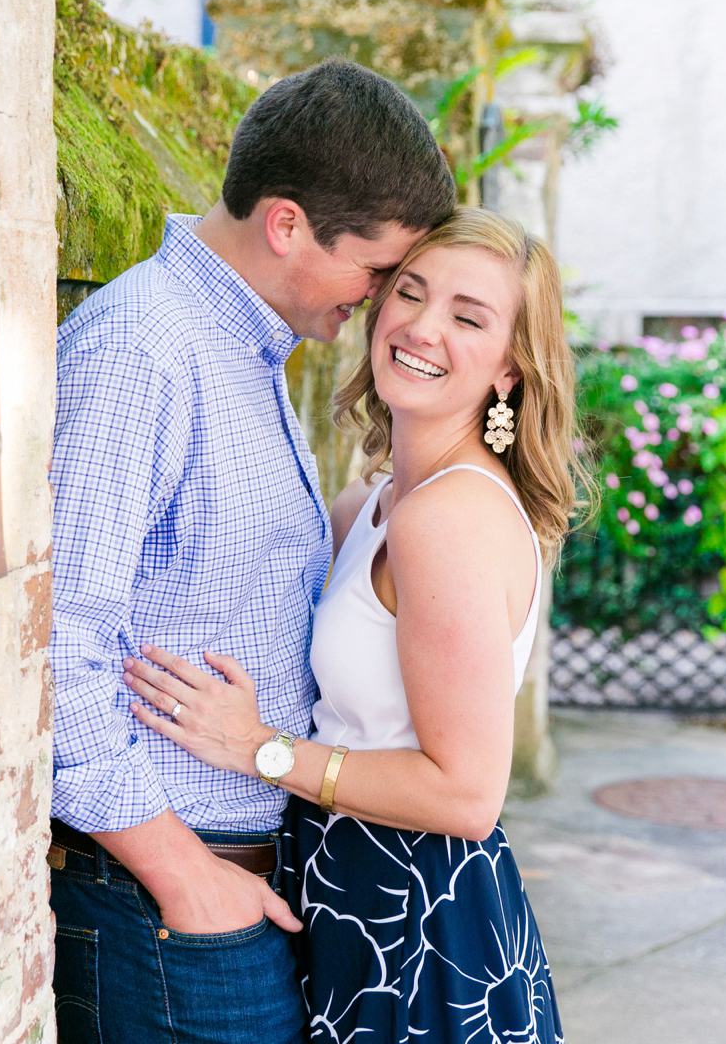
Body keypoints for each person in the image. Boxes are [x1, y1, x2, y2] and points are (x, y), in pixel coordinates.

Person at [47, 59, 455, 1044]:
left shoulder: (244, 348)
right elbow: (55, 642)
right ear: (287, 226)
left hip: (221, 893)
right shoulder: (143, 349)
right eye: (378, 268)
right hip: (165, 904)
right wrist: (183, 876)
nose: (385, 298)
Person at [124, 207, 587, 1044]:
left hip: (417, 915)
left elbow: (467, 794)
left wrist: (257, 749)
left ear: (511, 369)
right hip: (345, 888)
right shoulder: (368, 504)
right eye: (409, 292)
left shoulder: (446, 519)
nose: (422, 325)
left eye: (468, 316)